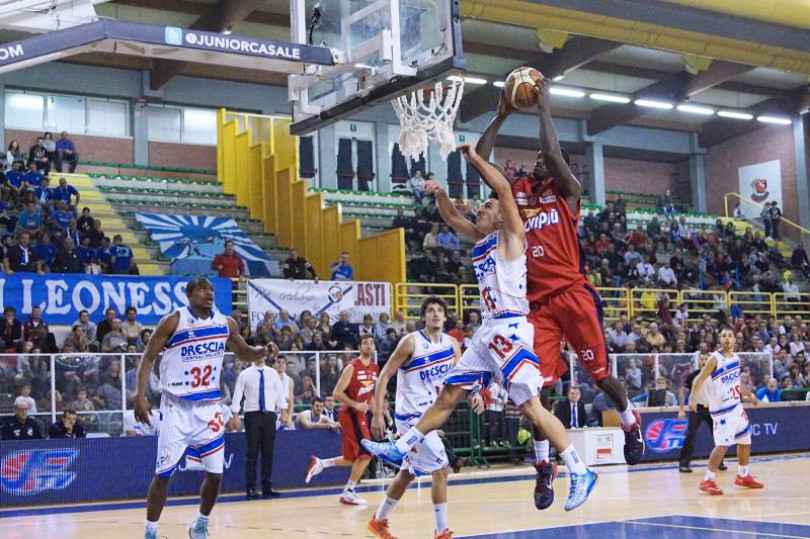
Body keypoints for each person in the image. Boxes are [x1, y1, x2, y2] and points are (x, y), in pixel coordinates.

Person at [362, 144, 597, 512]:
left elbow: (503, 191)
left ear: (503, 216)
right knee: (448, 395)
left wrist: (474, 160)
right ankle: (403, 443)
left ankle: (579, 469)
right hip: (487, 333)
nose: (483, 209)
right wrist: (440, 195)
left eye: (488, 208)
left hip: (511, 329)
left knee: (532, 408)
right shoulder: (483, 241)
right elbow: (455, 220)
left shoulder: (512, 235)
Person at [473, 77, 643, 505]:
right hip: (536, 307)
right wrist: (502, 114)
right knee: (537, 391)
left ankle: (629, 419)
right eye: (535, 160)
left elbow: (551, 151)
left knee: (601, 377)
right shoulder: (520, 196)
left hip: (573, 293)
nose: (539, 162)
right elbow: (478, 159)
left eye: (547, 160)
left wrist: (543, 107)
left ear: (563, 167)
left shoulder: (568, 193)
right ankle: (544, 467)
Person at [133, 277, 273, 539]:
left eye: (211, 289)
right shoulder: (174, 321)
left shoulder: (225, 323)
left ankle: (200, 524)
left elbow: (243, 352)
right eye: (202, 289)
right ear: (189, 294)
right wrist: (140, 394)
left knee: (216, 476)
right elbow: (148, 357)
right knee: (163, 475)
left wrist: (262, 350)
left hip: (209, 409)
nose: (209, 293)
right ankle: (150, 533)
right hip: (176, 407)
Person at [367, 296, 472, 539]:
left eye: (439, 310)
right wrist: (377, 413)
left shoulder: (452, 344)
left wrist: (474, 395)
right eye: (430, 310)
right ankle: (441, 531)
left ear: (446, 317)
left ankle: (378, 521)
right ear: (423, 317)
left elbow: (461, 379)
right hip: (410, 417)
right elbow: (384, 376)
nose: (435, 314)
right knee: (442, 469)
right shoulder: (410, 342)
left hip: (431, 416)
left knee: (408, 473)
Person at [304, 334, 379, 505]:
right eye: (365, 343)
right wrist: (356, 404)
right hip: (350, 413)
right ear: (360, 347)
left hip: (360, 414)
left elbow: (370, 395)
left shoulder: (374, 368)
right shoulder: (352, 367)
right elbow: (337, 393)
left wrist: (377, 416)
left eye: (371, 342)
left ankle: (321, 463)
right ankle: (349, 491)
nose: (369, 345)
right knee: (366, 453)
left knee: (355, 458)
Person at [689, 328, 764, 495]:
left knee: (745, 440)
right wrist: (692, 399)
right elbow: (700, 378)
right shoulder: (715, 358)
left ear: (735, 340)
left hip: (736, 406)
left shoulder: (736, 358)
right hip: (723, 411)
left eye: (730, 335)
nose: (727, 338)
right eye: (724, 336)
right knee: (723, 445)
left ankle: (743, 475)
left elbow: (736, 383)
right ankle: (707, 479)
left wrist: (749, 394)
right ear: (720, 340)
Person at [231, 342, 287, 499]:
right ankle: (250, 487)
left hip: (269, 415)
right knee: (252, 452)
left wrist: (283, 411)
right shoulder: (245, 374)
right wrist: (235, 414)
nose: (261, 356)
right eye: (258, 353)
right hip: (252, 415)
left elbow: (280, 393)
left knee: (268, 451)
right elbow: (238, 394)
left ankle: (267, 485)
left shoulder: (273, 373)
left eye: (263, 353)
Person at [678, 353, 727, 473]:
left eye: (706, 359)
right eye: (702, 359)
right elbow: (683, 392)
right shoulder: (694, 375)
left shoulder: (717, 375)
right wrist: (681, 409)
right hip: (697, 409)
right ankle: (683, 464)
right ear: (699, 361)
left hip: (713, 409)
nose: (704, 361)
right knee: (690, 435)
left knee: (719, 437)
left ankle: (719, 462)